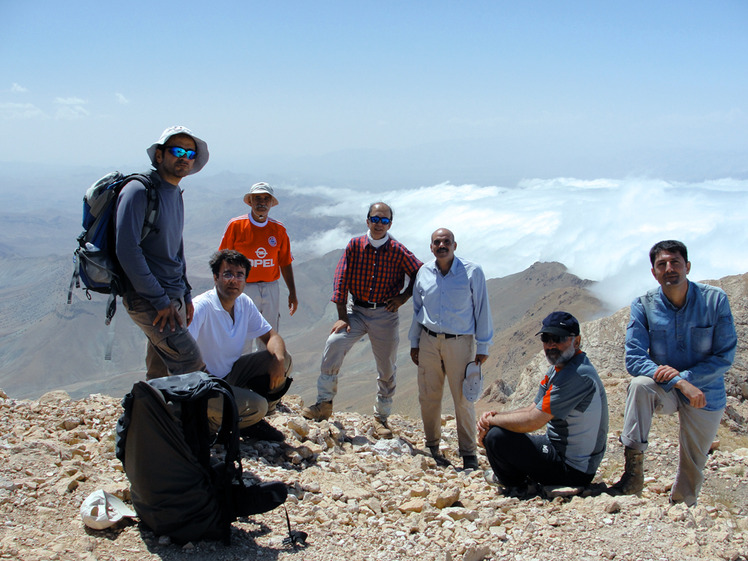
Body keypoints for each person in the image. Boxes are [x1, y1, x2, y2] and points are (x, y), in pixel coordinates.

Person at [611, 240, 737, 505]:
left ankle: (682, 507)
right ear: (654, 272)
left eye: (675, 262)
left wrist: (688, 380)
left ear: (687, 266)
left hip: (705, 391)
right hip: (666, 388)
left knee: (694, 461)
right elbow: (634, 359)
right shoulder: (643, 305)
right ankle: (633, 475)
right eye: (661, 264)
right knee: (639, 386)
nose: (669, 269)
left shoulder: (715, 300)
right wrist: (680, 382)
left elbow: (725, 355)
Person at [301, 202, 423, 438]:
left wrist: (403, 297)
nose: (379, 224)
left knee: (386, 365)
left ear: (390, 224)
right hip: (356, 310)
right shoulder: (355, 245)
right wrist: (341, 317)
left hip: (385, 315)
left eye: (384, 220)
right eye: (375, 219)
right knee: (334, 343)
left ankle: (381, 418)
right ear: (367, 220)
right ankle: (323, 404)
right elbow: (341, 277)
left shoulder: (397, 250)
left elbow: (419, 271)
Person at [478, 312, 608, 494]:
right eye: (547, 338)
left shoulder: (577, 375)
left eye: (559, 338)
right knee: (500, 429)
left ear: (576, 341)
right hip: (557, 449)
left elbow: (533, 421)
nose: (551, 344)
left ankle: (518, 485)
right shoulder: (558, 370)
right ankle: (521, 477)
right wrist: (493, 417)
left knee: (496, 437)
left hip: (573, 469)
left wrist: (491, 422)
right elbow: (532, 408)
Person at [115, 125, 209, 379]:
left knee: (160, 370)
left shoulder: (175, 193)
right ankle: (189, 419)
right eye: (177, 150)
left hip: (171, 296)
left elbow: (175, 248)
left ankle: (150, 416)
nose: (184, 158)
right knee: (190, 363)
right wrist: (159, 300)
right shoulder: (138, 191)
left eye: (190, 154)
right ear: (159, 155)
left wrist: (185, 293)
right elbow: (126, 250)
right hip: (149, 297)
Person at [409, 228, 493, 470]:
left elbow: (482, 308)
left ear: (455, 245)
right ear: (431, 247)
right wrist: (415, 342)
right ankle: (431, 446)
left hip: (461, 342)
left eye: (446, 241)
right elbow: (418, 310)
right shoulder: (424, 272)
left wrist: (483, 344)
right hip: (428, 340)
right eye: (437, 242)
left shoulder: (472, 272)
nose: (442, 245)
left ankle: (468, 454)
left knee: (463, 398)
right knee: (428, 395)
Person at [188, 250, 292, 441]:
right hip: (205, 385)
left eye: (239, 275)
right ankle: (218, 424)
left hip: (231, 374)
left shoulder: (243, 303)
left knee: (283, 359)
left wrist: (277, 360)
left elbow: (271, 336)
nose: (233, 280)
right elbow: (183, 351)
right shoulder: (201, 307)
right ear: (215, 277)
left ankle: (253, 417)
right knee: (257, 405)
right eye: (227, 274)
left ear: (245, 279)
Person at [219, 182, 297, 349]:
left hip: (270, 287)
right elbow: (222, 259)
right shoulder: (236, 225)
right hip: (242, 288)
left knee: (269, 333)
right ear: (250, 202)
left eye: (266, 199)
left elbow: (285, 262)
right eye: (258, 198)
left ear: (271, 203)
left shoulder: (278, 229)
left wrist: (292, 292)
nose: (262, 202)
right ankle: (242, 372)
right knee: (242, 334)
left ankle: (264, 372)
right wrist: (222, 290)